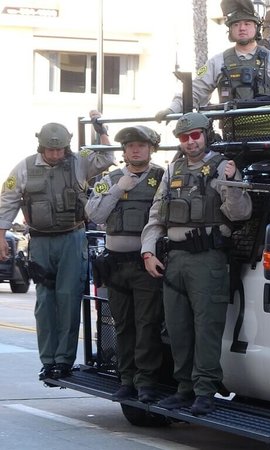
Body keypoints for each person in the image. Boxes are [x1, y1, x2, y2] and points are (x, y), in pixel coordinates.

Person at [141, 112, 252, 416]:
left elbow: (241, 213)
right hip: (174, 259)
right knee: (177, 328)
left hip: (208, 258)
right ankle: (184, 388)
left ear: (206, 135)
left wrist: (231, 182)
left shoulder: (223, 166)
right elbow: (156, 215)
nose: (190, 142)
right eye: (184, 138)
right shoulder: (172, 170)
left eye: (195, 136)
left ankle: (205, 391)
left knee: (206, 327)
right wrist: (148, 252)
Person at [0, 116, 115, 383]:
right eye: (50, 150)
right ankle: (47, 360)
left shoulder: (79, 161)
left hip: (71, 239)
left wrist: (102, 132)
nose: (54, 154)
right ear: (41, 147)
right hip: (40, 242)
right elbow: (8, 201)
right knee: (44, 302)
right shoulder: (25, 167)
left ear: (67, 147)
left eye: (59, 149)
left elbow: (107, 158)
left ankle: (64, 360)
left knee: (69, 298)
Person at [85, 123, 165, 404]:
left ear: (151, 149)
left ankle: (145, 381)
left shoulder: (162, 177)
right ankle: (126, 378)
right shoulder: (111, 179)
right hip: (116, 266)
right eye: (130, 146)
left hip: (144, 265)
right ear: (124, 151)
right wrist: (119, 188)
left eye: (141, 145)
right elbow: (94, 212)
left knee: (146, 325)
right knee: (122, 325)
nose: (135, 149)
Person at [155, 0, 270, 121]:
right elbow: (195, 90)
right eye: (236, 24)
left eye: (247, 23)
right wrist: (172, 109)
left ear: (256, 27)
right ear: (230, 30)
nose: (242, 28)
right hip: (230, 140)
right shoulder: (217, 62)